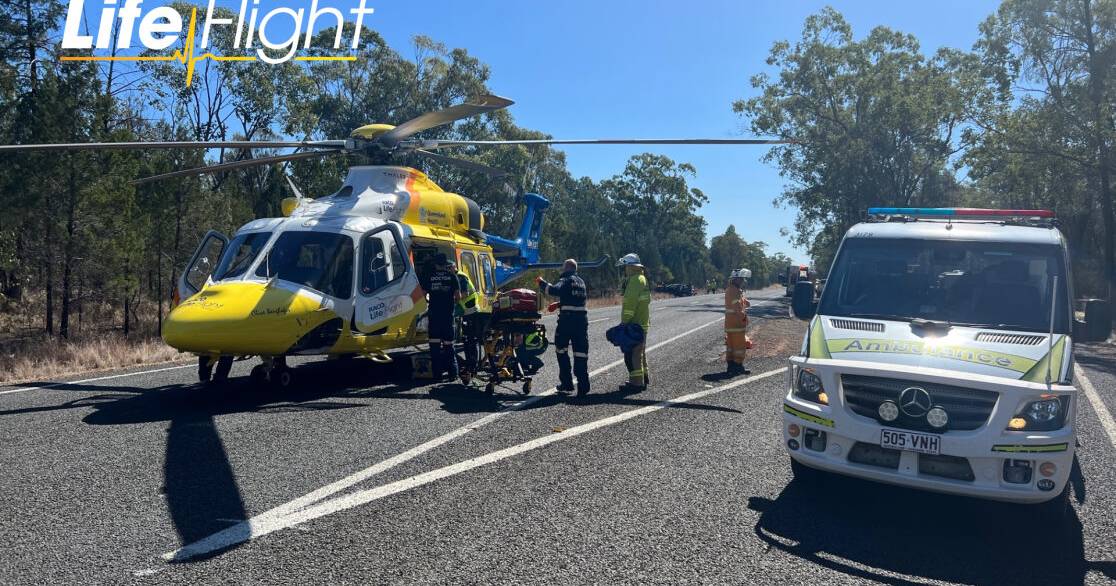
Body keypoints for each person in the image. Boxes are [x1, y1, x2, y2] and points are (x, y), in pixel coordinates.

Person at [536, 259, 590, 395]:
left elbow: (554, 290)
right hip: (581, 321)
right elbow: (574, 299)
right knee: (581, 353)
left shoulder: (566, 279)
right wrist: (559, 304)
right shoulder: (581, 282)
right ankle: (583, 386)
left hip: (567, 321)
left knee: (561, 350)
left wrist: (541, 282)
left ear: (566, 268)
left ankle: (566, 384)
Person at [420, 253, 460, 381]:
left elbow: (423, 294)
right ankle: (453, 374)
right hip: (448, 316)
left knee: (434, 346)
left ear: (435, 264)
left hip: (434, 315)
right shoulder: (452, 276)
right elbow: (458, 297)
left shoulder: (429, 277)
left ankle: (437, 375)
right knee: (449, 345)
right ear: (445, 264)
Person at [618, 253, 651, 391]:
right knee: (640, 352)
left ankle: (637, 383)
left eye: (626, 266)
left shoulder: (635, 280)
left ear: (631, 267)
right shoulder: (641, 278)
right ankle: (644, 377)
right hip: (642, 322)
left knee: (633, 354)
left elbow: (630, 304)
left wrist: (624, 322)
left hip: (634, 324)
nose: (625, 269)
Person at [456, 264, 488, 382]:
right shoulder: (457, 276)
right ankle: (470, 365)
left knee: (471, 340)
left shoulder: (460, 277)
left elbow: (463, 294)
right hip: (467, 312)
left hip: (472, 312)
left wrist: (452, 300)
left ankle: (472, 365)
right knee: (467, 340)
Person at [725, 268, 753, 375]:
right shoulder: (733, 290)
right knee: (739, 346)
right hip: (736, 323)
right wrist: (744, 317)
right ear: (736, 279)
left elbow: (738, 301)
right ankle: (738, 366)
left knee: (731, 346)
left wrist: (746, 302)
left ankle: (731, 365)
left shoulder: (733, 289)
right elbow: (737, 307)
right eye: (741, 279)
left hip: (731, 323)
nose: (743, 281)